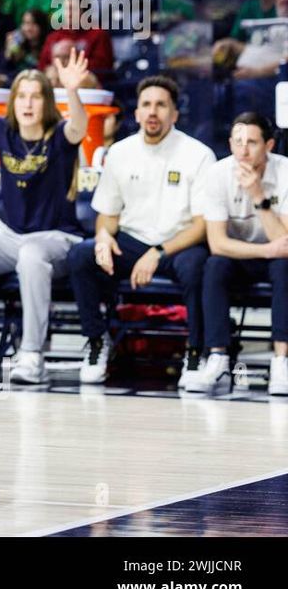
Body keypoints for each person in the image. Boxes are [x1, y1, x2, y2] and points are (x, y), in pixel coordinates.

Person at [0, 56, 90, 384]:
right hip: (8, 236)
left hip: (56, 238)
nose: (27, 103)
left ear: (47, 102)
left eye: (36, 96)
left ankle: (32, 354)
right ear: (13, 101)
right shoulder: (1, 130)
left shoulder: (61, 135)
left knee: (31, 254)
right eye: (21, 96)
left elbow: (80, 126)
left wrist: (73, 91)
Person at [68, 76, 215, 385]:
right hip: (132, 242)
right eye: (146, 104)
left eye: (161, 105)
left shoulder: (198, 155)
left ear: (174, 114)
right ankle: (97, 342)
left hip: (179, 244)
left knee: (199, 267)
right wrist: (104, 237)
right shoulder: (119, 153)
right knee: (81, 256)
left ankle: (196, 351)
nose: (152, 112)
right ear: (136, 113)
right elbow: (107, 216)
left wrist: (158, 252)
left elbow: (203, 226)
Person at [195, 113, 288, 395]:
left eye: (251, 142)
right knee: (213, 265)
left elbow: (283, 241)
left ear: (269, 145)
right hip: (239, 253)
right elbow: (217, 243)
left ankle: (282, 361)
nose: (243, 150)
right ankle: (218, 357)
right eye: (237, 142)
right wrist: (265, 249)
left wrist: (258, 196)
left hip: (277, 256)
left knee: (285, 266)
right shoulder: (217, 174)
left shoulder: (285, 172)